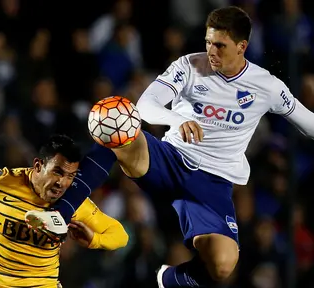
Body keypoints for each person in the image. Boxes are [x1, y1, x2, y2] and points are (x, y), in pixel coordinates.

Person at [28, 5, 314, 288]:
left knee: (223, 266)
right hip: (169, 159)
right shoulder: (189, 66)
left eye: (220, 45)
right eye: (207, 42)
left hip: (213, 185)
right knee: (114, 120)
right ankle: (59, 214)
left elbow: (307, 122)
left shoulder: (267, 86)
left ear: (242, 46)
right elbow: (146, 105)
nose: (211, 51)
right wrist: (177, 119)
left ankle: (169, 279)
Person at [0, 134, 129, 288]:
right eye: (57, 172)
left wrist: (95, 240)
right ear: (37, 165)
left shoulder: (72, 203)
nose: (62, 183)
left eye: (71, 176)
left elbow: (120, 236)